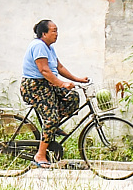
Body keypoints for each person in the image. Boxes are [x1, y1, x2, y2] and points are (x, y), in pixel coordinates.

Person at [20, 18, 88, 166]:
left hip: (47, 85)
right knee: (51, 119)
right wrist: (62, 84)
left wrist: (77, 79)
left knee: (73, 98)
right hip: (34, 87)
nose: (57, 34)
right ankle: (40, 155)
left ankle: (52, 127)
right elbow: (44, 70)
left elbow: (59, 67)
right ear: (44, 33)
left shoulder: (49, 47)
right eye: (54, 31)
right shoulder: (38, 46)